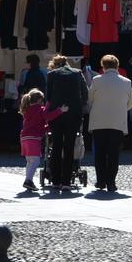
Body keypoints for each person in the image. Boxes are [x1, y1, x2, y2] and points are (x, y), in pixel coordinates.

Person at [87, 54, 132, 192]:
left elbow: (90, 100)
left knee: (100, 153)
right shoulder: (127, 82)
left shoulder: (96, 80)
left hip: (99, 123)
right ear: (117, 66)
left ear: (103, 66)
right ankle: (111, 183)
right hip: (117, 123)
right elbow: (130, 104)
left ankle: (101, 181)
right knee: (114, 154)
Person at [45, 54, 88, 191]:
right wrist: (78, 105)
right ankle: (66, 182)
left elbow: (48, 96)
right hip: (74, 114)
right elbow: (85, 94)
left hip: (57, 114)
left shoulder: (52, 75)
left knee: (56, 145)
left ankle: (56, 180)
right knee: (69, 146)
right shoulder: (78, 73)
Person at [18, 89, 67, 191]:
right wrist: (60, 110)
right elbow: (48, 116)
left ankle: (28, 180)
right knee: (35, 161)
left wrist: (46, 127)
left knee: (29, 161)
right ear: (40, 100)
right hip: (33, 138)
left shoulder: (27, 109)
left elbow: (37, 123)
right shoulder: (40, 109)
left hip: (24, 138)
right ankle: (28, 180)